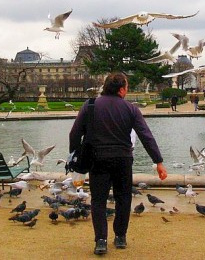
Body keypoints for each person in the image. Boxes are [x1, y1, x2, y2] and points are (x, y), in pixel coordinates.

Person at [69, 72, 167, 255]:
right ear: (121, 89)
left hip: (97, 159)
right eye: (127, 88)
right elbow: (146, 136)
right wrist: (158, 161)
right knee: (123, 198)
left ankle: (101, 240)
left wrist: (75, 158)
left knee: (98, 200)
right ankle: (120, 236)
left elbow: (74, 135)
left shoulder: (90, 105)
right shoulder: (131, 109)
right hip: (123, 159)